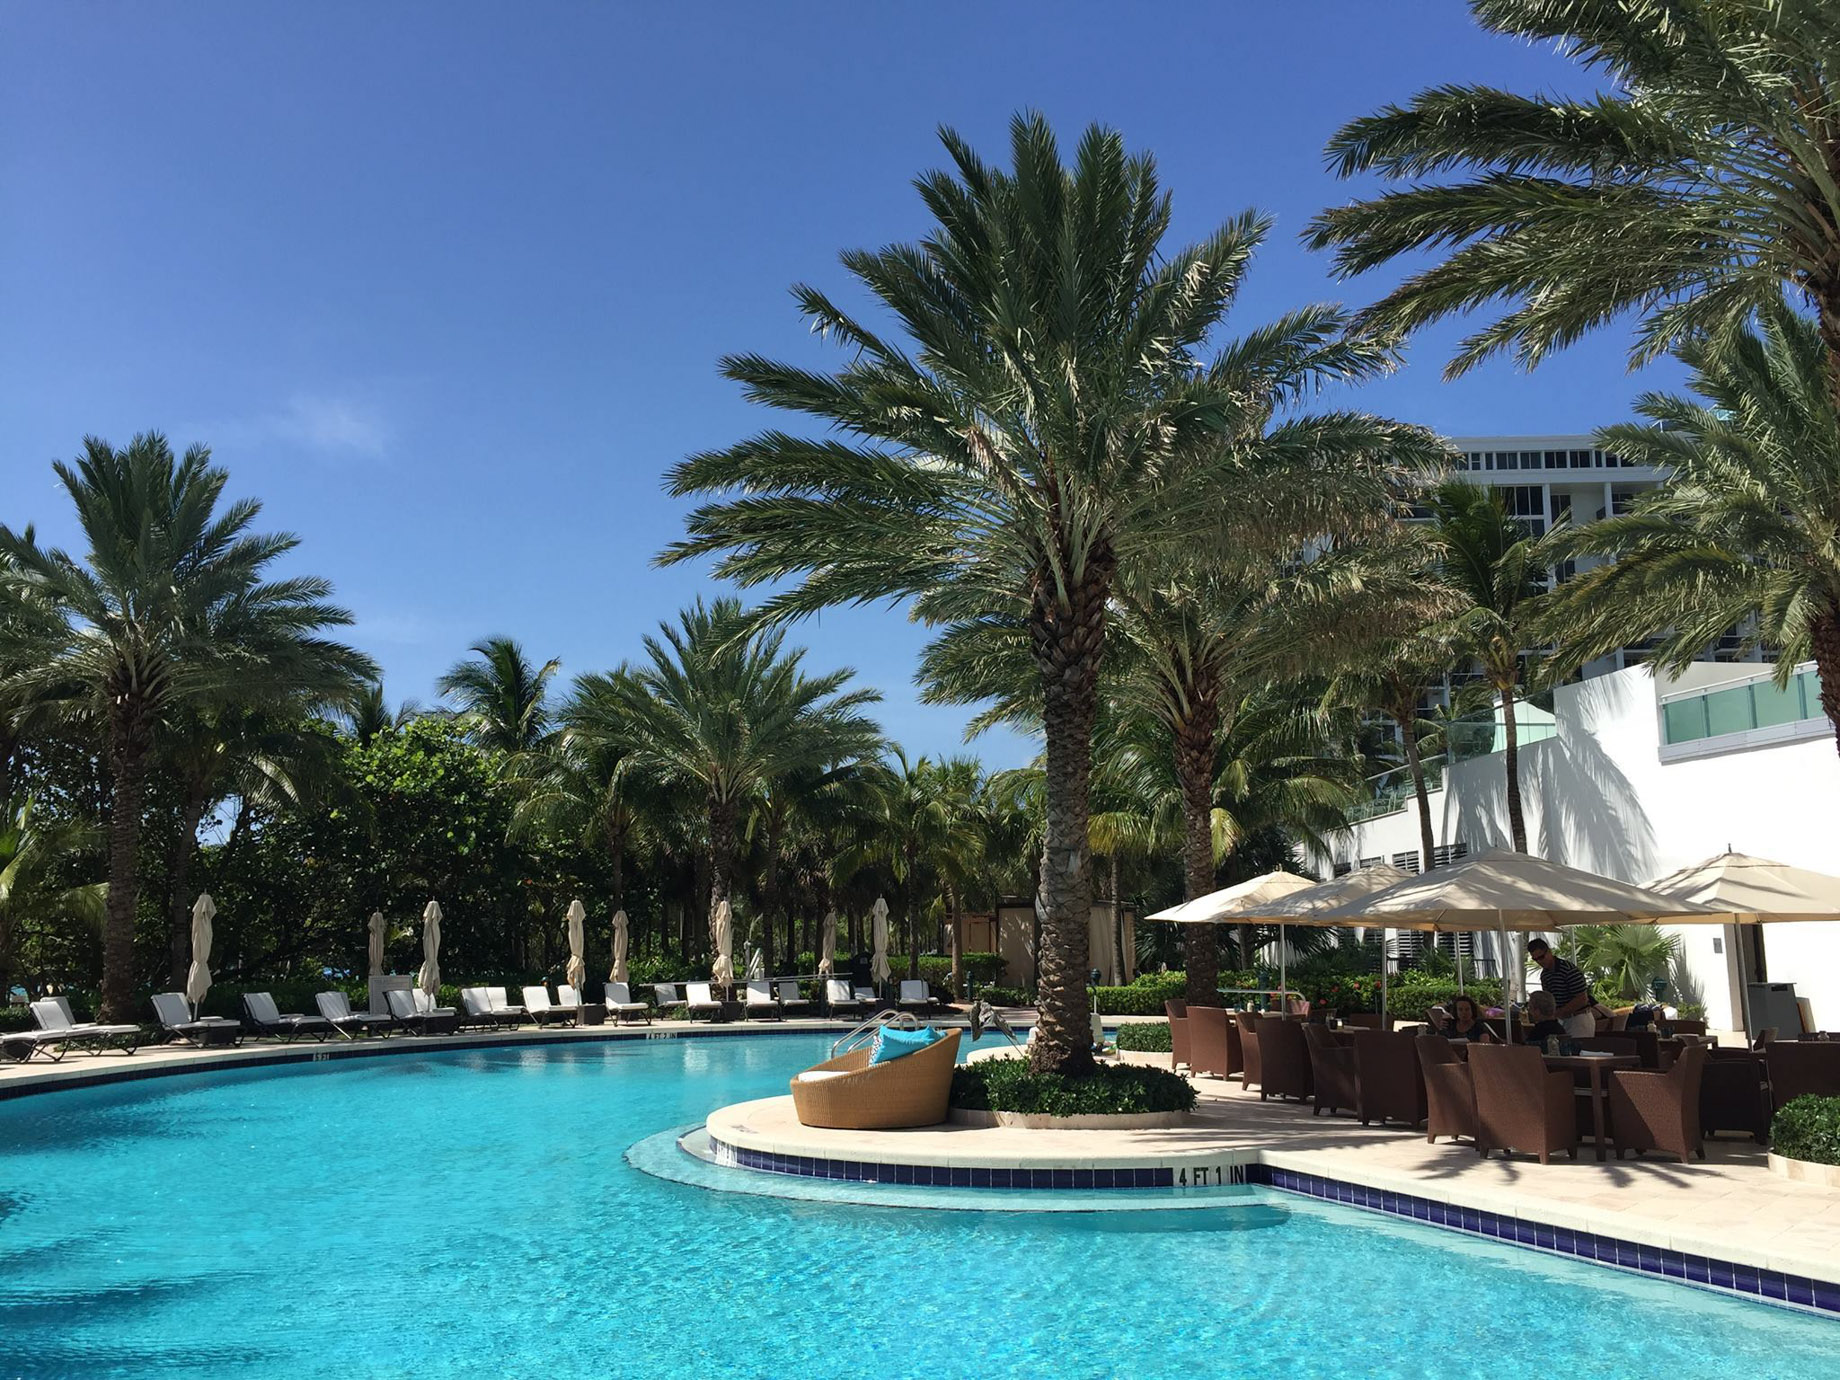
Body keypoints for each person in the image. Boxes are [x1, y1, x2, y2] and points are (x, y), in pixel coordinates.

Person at [1527, 937, 1596, 1039]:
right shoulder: (1545, 975)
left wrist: (1558, 1012)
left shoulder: (1568, 970)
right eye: (1535, 959)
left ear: (1549, 952)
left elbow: (1582, 999)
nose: (1539, 962)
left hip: (1578, 1018)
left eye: (1541, 957)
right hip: (1561, 1019)